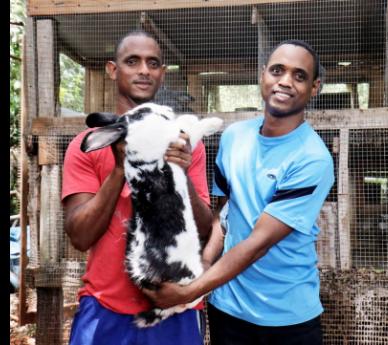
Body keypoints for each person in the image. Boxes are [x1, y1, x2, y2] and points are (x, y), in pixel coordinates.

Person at [146, 39, 335, 345]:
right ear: (263, 76)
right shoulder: (235, 137)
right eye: (277, 70)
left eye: (299, 76)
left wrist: (189, 291)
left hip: (286, 317)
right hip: (228, 309)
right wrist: (205, 262)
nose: (285, 81)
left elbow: (258, 243)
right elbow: (227, 212)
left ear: (314, 88)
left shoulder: (312, 158)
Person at [61, 30, 213, 345]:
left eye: (153, 63)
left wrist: (179, 174)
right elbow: (80, 236)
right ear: (113, 70)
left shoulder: (185, 144)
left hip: (174, 305)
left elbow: (204, 233)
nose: (144, 70)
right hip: (105, 307)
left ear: (162, 74)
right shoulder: (86, 146)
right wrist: (120, 168)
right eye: (133, 61)